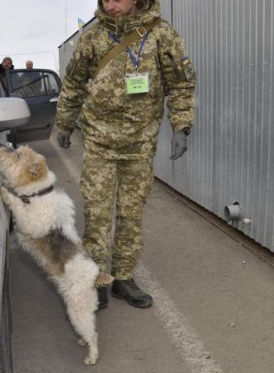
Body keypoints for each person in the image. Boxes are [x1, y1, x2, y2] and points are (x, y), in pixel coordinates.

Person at [55, 0, 196, 310]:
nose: (110, 4)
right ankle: (97, 279)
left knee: (131, 213)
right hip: (98, 141)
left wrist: (181, 128)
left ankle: (124, 278)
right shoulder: (92, 38)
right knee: (98, 213)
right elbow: (75, 82)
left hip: (140, 143)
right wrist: (64, 123)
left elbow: (181, 84)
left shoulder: (161, 35)